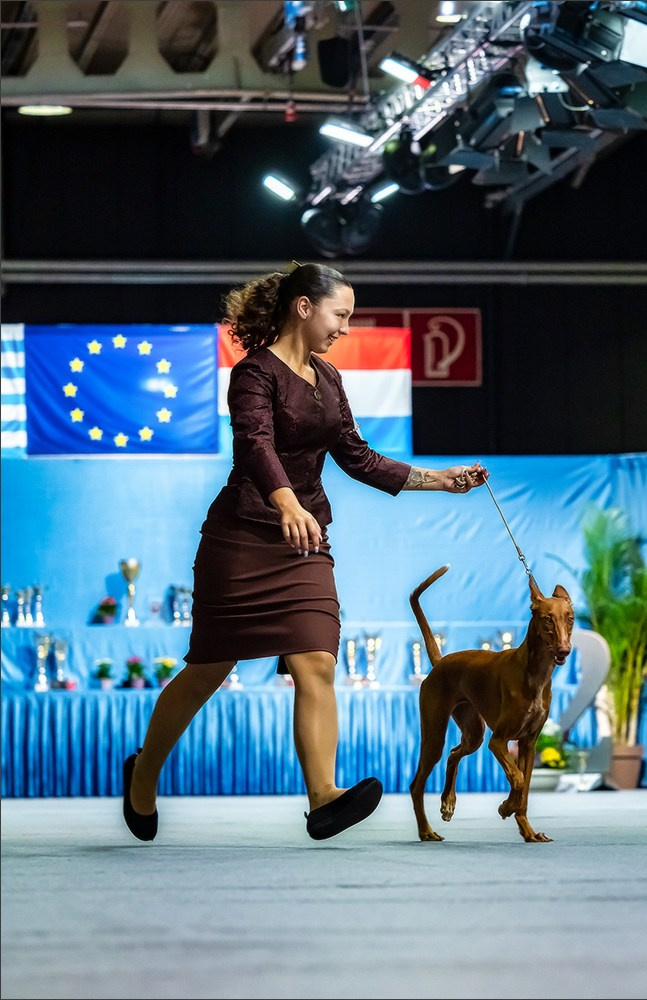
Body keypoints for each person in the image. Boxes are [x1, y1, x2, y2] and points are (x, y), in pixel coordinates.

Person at [123, 261, 488, 843]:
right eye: (339, 314)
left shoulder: (329, 379)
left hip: (306, 541)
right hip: (242, 539)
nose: (345, 326)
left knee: (316, 660)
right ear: (303, 307)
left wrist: (438, 480)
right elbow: (255, 444)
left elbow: (358, 457)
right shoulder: (253, 374)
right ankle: (143, 772)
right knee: (206, 672)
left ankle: (323, 797)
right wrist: (285, 502)